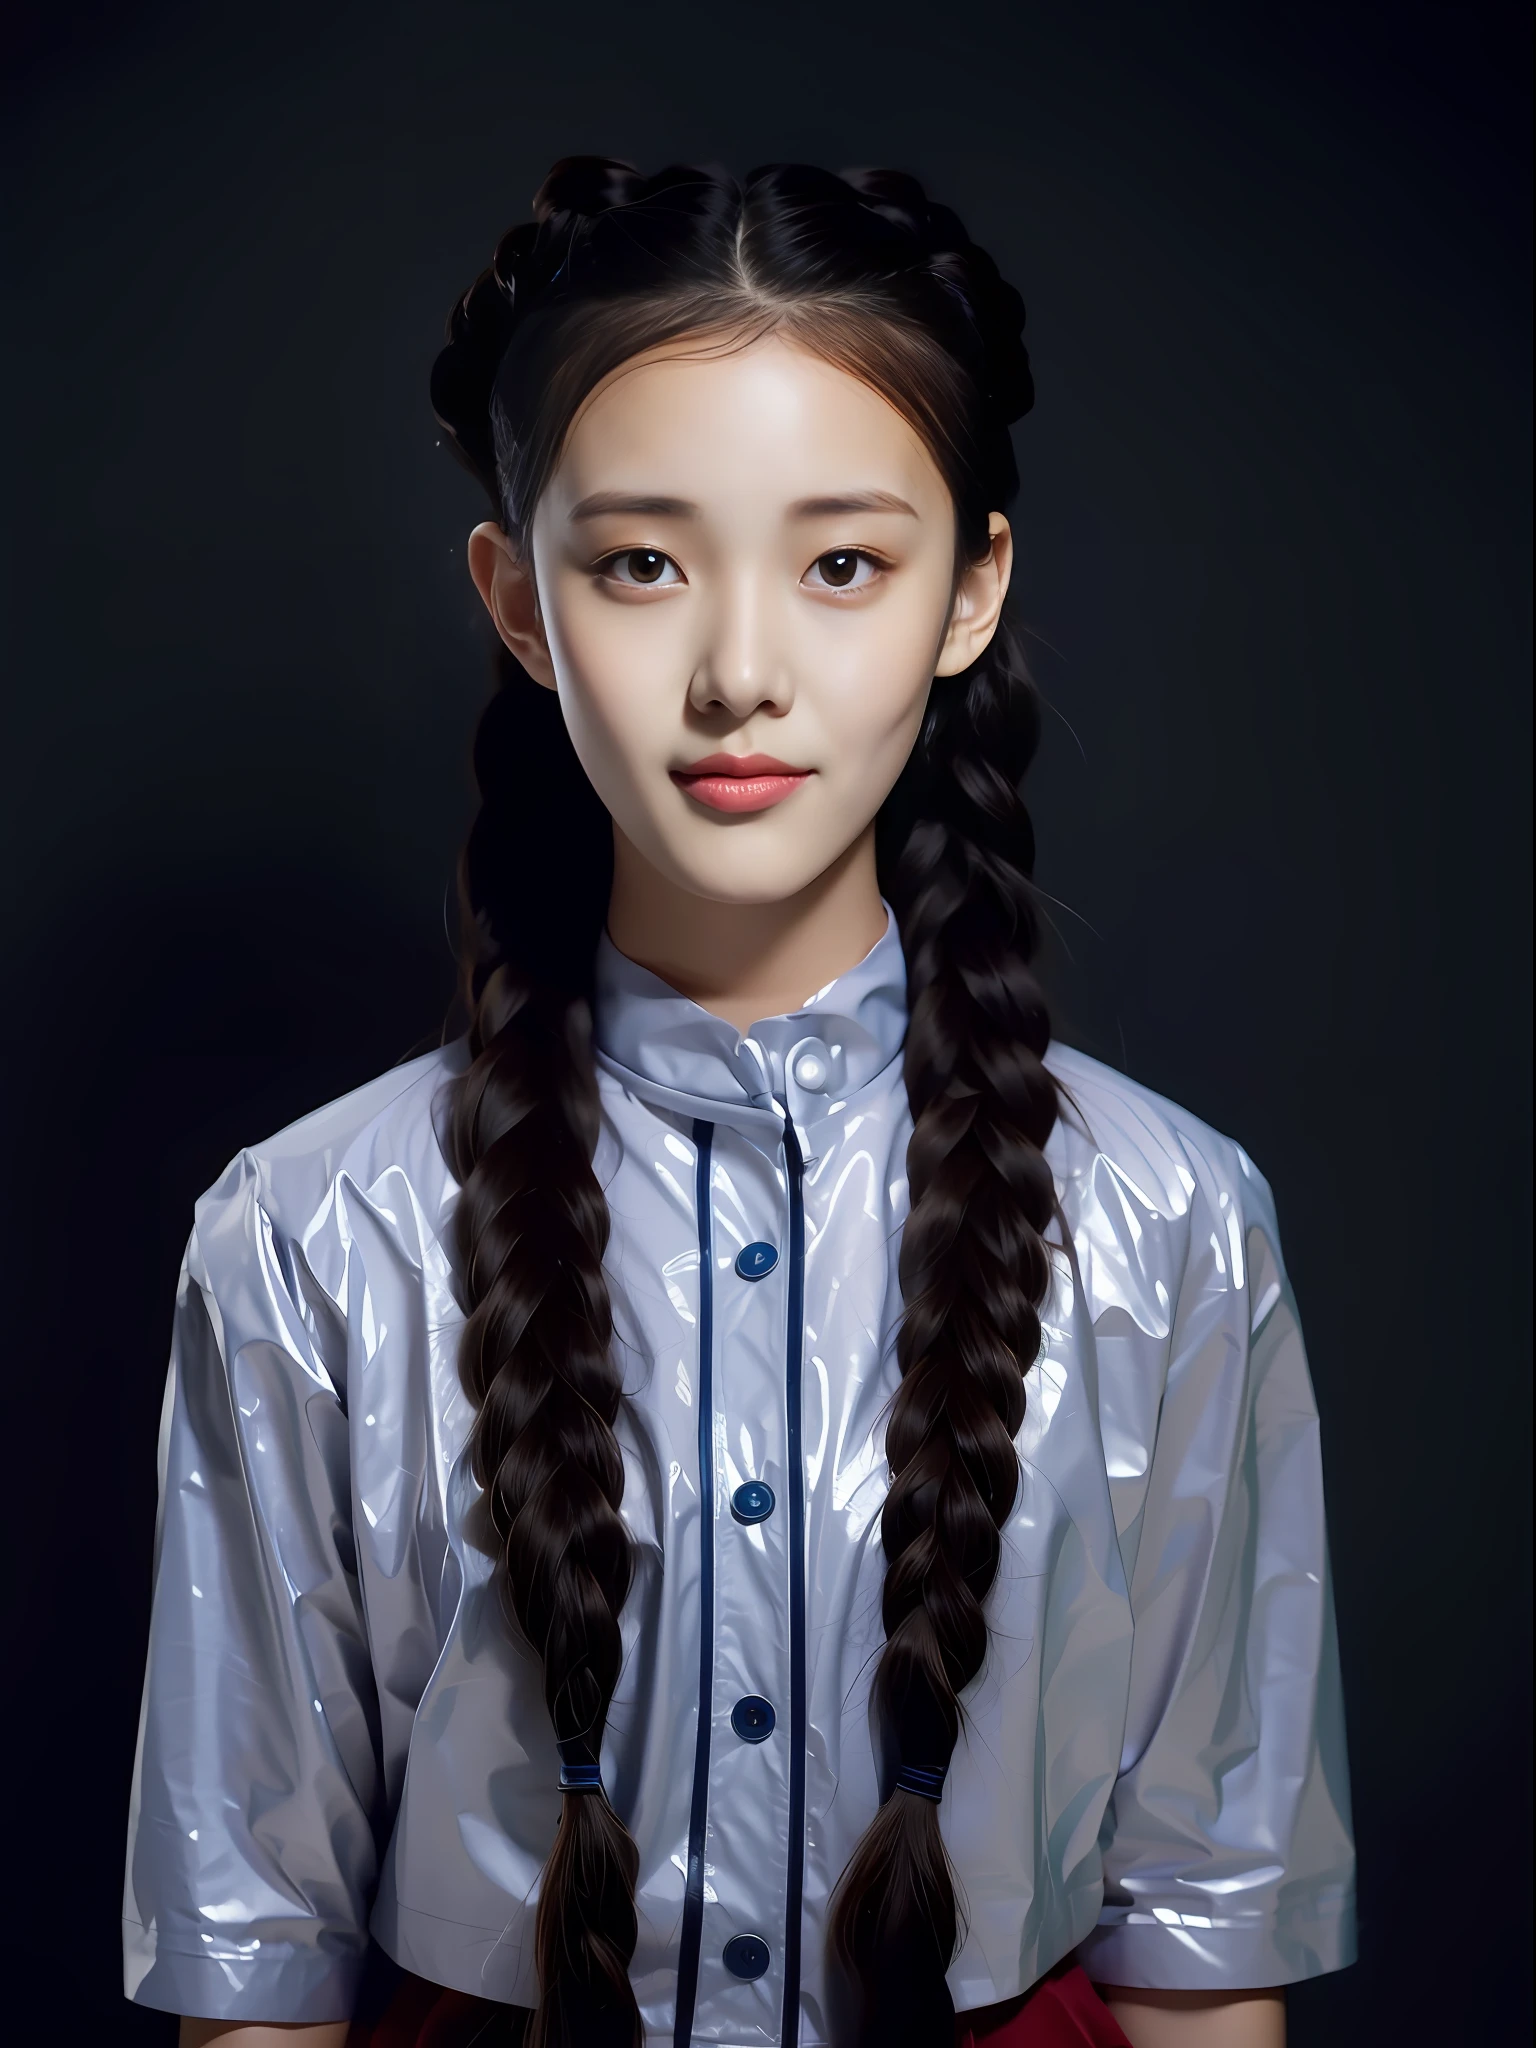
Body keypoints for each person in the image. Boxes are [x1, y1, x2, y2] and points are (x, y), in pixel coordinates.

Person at [122, 159, 1356, 2048]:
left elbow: (1208, 1939)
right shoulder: (306, 1239)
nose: (740, 674)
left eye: (844, 561)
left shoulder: (1172, 1225)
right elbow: (254, 1960)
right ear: (518, 603)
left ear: (974, 590)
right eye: (640, 562)